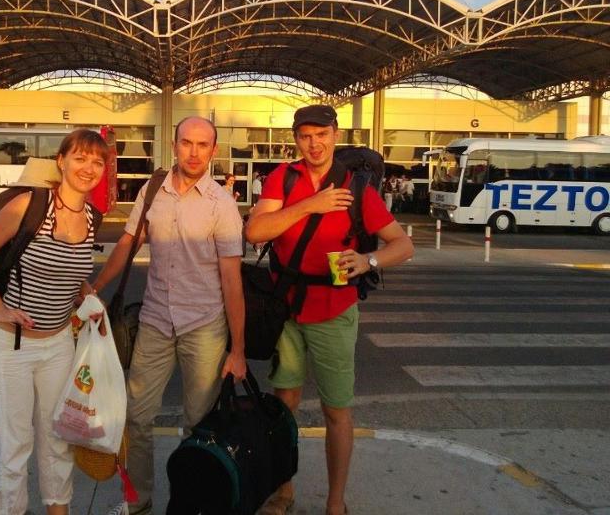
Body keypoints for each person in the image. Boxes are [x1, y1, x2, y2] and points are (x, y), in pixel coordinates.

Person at [246, 105, 413, 515]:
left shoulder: (358, 188)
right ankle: (283, 491)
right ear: (295, 140)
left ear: (335, 135)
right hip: (286, 309)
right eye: (305, 136)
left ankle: (336, 503)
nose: (314, 143)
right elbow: (255, 231)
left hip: (335, 309)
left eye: (321, 134)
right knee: (283, 404)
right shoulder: (283, 178)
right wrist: (311, 204)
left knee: (336, 409)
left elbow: (403, 245)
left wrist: (368, 261)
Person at [86, 116, 246, 515]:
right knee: (136, 416)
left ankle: (190, 503)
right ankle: (138, 501)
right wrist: (96, 286)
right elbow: (129, 242)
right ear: (174, 145)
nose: (194, 152)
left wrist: (238, 349)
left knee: (198, 424)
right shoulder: (152, 189)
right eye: (187, 142)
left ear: (213, 150)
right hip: (156, 319)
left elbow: (232, 280)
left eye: (203, 145)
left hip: (204, 325)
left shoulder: (222, 204)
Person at [0, 129, 109, 515]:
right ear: (61, 161)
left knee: (58, 442)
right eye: (80, 158)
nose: (89, 168)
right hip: (12, 346)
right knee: (13, 448)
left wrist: (86, 296)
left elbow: (68, 270)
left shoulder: (92, 218)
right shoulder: (30, 205)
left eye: (97, 161)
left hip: (59, 346)